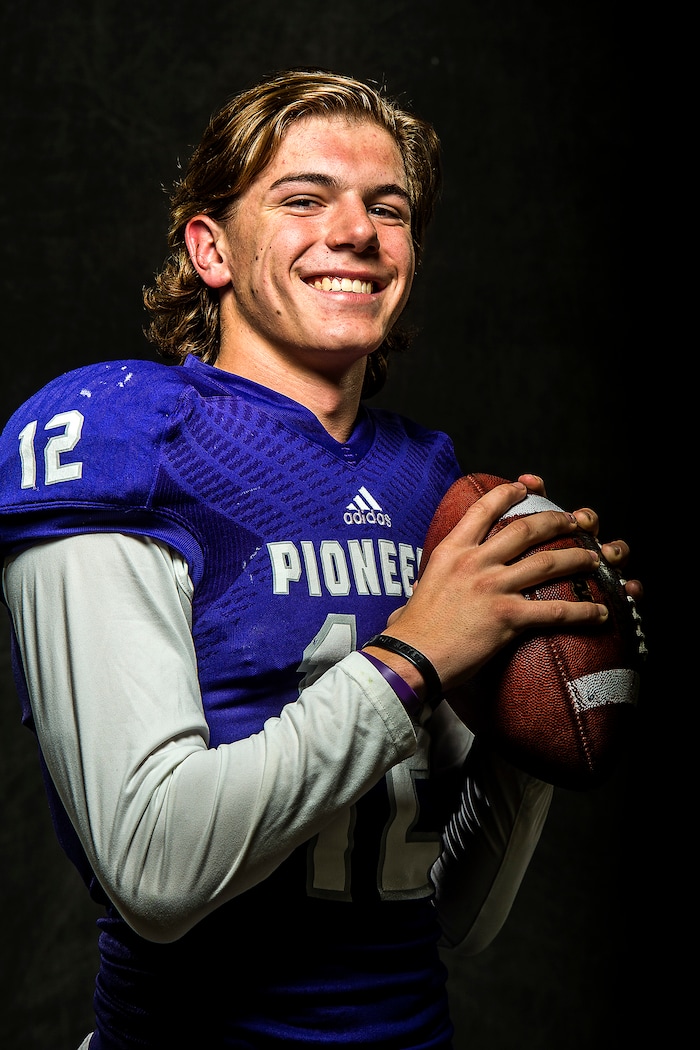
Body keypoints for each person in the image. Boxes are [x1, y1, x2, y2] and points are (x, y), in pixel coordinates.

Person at [0, 68, 641, 1049]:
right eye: (305, 198)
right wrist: (412, 659)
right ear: (209, 247)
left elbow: (456, 920)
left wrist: (543, 690)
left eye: (387, 208)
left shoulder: (431, 482)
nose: (357, 233)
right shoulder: (120, 436)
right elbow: (153, 875)